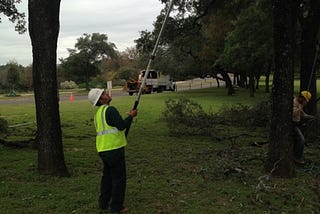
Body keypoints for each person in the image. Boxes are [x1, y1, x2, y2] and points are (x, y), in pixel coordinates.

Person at [88, 88, 137, 213]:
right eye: (103, 94)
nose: (107, 94)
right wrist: (131, 116)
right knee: (119, 179)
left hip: (103, 150)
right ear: (100, 99)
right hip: (114, 150)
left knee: (107, 177)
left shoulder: (98, 114)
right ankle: (116, 207)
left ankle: (103, 202)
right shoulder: (110, 110)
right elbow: (121, 126)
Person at [292, 90, 313, 164]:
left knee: (297, 141)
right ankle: (297, 158)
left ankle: (294, 155)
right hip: (292, 125)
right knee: (301, 140)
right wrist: (301, 108)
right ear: (301, 97)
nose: (305, 102)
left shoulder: (299, 103)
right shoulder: (294, 102)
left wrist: (311, 117)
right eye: (305, 100)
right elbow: (293, 113)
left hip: (297, 124)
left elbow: (303, 114)